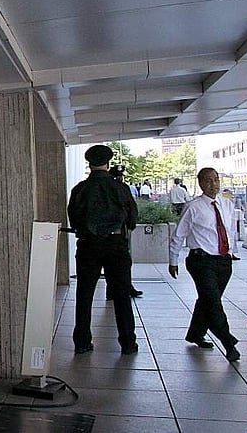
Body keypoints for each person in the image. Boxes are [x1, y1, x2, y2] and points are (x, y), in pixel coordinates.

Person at [68, 145, 139, 355]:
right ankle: (128, 342)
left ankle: (82, 342)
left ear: (89, 165)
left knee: (84, 294)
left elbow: (74, 220)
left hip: (88, 245)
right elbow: (132, 219)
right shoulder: (120, 188)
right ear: (108, 164)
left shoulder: (80, 189)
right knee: (121, 295)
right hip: (116, 245)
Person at [168, 167, 240, 362]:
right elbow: (179, 234)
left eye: (216, 180)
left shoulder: (227, 205)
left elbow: (230, 231)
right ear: (200, 184)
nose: (213, 184)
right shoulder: (193, 207)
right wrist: (173, 260)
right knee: (213, 302)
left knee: (207, 300)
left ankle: (196, 334)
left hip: (223, 261)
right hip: (201, 260)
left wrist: (232, 253)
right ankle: (228, 343)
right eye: (208, 181)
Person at [107, 165, 143, 300]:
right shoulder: (122, 188)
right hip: (119, 233)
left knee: (110, 266)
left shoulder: (100, 187)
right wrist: (131, 224)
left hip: (101, 235)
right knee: (123, 264)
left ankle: (112, 290)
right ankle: (126, 288)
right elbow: (131, 209)